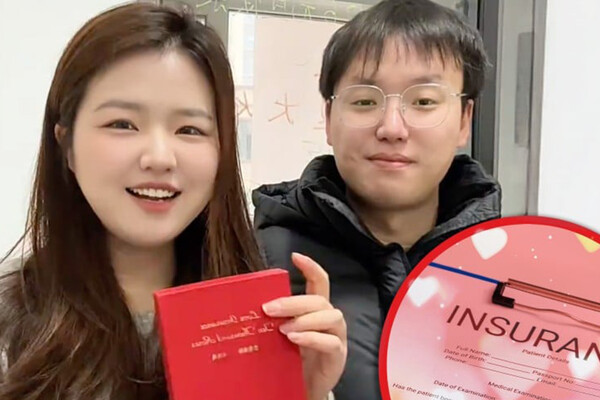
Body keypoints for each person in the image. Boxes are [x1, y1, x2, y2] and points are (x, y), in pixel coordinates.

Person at [0, 3, 346, 399]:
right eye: (122, 124)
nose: (160, 157)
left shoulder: (264, 322)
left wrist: (303, 392)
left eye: (190, 129)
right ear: (67, 146)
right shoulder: (11, 323)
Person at [252, 0, 502, 399]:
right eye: (365, 101)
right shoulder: (254, 262)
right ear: (329, 119)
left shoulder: (515, 272)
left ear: (464, 120)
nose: (392, 127)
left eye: (424, 101)